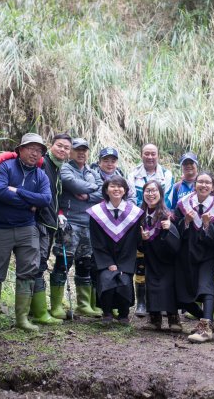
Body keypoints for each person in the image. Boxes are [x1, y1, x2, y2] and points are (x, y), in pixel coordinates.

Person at [0, 134, 73, 323]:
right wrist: (29, 202)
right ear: (20, 149)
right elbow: (0, 192)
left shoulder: (42, 174)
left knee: (28, 271)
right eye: (30, 148)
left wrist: (18, 192)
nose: (34, 153)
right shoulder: (6, 167)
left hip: (27, 227)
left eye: (38, 150)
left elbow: (45, 199)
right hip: (1, 227)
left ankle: (23, 319)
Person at [174, 171, 214, 343]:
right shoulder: (183, 204)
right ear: (195, 184)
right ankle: (208, 320)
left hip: (208, 255)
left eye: (207, 183)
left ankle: (205, 327)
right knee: (183, 294)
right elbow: (175, 232)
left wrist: (206, 225)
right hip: (186, 254)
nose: (203, 185)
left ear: (212, 186)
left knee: (206, 286)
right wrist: (187, 222)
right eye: (200, 182)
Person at [127, 144, 175, 317]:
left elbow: (167, 198)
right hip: (140, 218)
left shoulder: (167, 174)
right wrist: (139, 218)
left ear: (158, 155)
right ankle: (141, 301)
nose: (150, 157)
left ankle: (160, 301)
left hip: (160, 220)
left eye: (153, 154)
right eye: (146, 153)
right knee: (140, 260)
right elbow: (131, 197)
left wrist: (159, 220)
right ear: (141, 155)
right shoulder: (133, 174)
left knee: (159, 261)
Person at [87, 176, 143, 324]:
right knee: (107, 278)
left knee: (124, 280)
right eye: (112, 186)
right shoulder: (97, 212)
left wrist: (123, 264)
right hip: (105, 259)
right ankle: (107, 313)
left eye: (120, 186)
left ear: (125, 190)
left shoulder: (134, 213)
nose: (116, 189)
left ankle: (124, 314)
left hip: (126, 259)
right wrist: (108, 263)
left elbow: (133, 242)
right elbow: (96, 241)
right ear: (106, 190)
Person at [59, 138, 103, 318]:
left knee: (85, 262)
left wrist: (87, 196)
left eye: (84, 150)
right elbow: (72, 184)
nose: (81, 153)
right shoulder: (65, 168)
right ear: (71, 152)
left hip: (89, 224)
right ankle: (56, 306)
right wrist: (93, 188)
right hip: (69, 223)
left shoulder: (93, 172)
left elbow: (103, 193)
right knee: (64, 262)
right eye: (77, 150)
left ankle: (83, 305)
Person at [139, 180, 181, 331]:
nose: (151, 194)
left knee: (169, 285)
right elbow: (137, 243)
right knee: (152, 285)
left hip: (167, 257)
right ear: (143, 194)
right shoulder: (140, 215)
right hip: (150, 256)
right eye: (147, 191)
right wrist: (142, 240)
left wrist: (168, 230)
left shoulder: (168, 215)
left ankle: (173, 318)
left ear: (161, 194)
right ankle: (154, 318)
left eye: (154, 191)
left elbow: (177, 243)